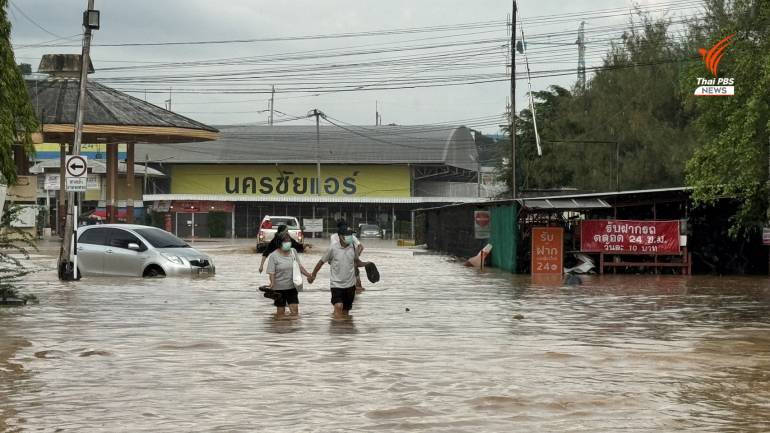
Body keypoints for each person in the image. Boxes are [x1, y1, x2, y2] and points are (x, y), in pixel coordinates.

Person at [310, 227, 368, 318]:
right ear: (340, 236)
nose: (350, 237)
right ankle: (335, 330)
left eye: (351, 235)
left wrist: (368, 264)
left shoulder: (353, 247)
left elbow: (357, 262)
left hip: (350, 286)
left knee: (346, 312)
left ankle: (342, 329)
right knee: (338, 306)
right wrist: (313, 275)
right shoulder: (332, 248)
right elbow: (321, 262)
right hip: (336, 285)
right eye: (348, 235)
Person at [264, 232, 313, 317]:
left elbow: (299, 266)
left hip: (292, 287)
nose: (288, 243)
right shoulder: (273, 256)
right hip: (278, 290)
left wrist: (308, 275)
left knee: (295, 313)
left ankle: (292, 329)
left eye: (289, 240)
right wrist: (272, 283)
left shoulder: (293, 252)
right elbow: (271, 272)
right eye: (285, 241)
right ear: (279, 243)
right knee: (280, 314)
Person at [329, 220, 366, 291]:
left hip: (348, 258)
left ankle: (356, 286)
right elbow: (333, 248)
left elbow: (361, 247)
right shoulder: (334, 237)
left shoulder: (350, 236)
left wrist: (355, 257)